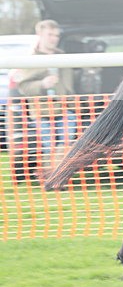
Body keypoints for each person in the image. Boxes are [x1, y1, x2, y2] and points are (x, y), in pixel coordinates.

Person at [14, 19, 77, 176]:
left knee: (66, 142)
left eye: (56, 35)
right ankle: (52, 176)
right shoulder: (30, 59)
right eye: (50, 35)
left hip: (64, 109)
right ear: (40, 34)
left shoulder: (63, 57)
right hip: (41, 112)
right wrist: (42, 84)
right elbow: (23, 87)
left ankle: (55, 176)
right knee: (50, 146)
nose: (54, 39)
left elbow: (70, 87)